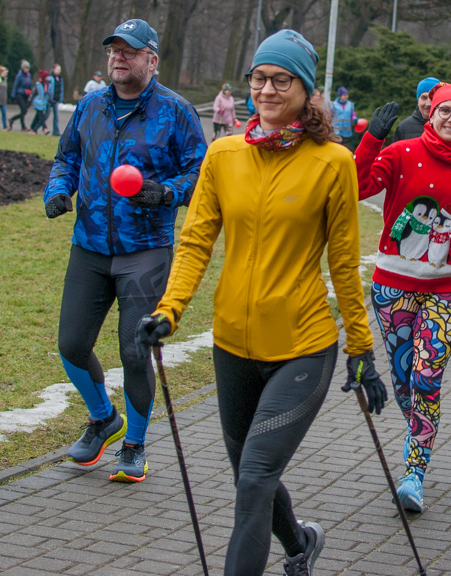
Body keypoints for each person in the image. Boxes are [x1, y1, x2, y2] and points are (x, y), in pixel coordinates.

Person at [135, 29, 387, 576]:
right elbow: (197, 238)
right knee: (252, 478)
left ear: (305, 90)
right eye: (259, 78)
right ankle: (301, 544)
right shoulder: (224, 154)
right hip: (232, 346)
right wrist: (169, 309)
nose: (267, 90)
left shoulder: (333, 162)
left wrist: (361, 348)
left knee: (253, 478)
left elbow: (344, 263)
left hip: (302, 347)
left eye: (281, 79)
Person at [43, 19, 208, 483]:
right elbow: (66, 157)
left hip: (146, 251)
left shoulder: (176, 112)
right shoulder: (90, 106)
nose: (119, 56)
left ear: (151, 60)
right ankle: (103, 419)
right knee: (71, 344)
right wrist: (59, 190)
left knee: (135, 350)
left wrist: (164, 192)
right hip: (90, 247)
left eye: (130, 50)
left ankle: (134, 445)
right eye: (113, 49)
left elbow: (201, 175)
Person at [353, 83, 451, 512]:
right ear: (431, 112)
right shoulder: (401, 152)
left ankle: (415, 471)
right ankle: (420, 427)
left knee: (427, 378)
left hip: (449, 287)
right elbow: (357, 187)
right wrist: (372, 139)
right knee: (403, 381)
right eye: (445, 111)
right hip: (394, 284)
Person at [391, 76, 440, 142]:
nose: (428, 104)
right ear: (418, 100)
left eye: (432, 98)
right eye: (424, 98)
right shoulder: (404, 127)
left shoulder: (447, 126)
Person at [9, 61, 34, 131]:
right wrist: (13, 95)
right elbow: (16, 86)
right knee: (24, 110)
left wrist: (31, 90)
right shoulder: (19, 75)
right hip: (20, 94)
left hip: (26, 95)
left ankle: (15, 121)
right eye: (26, 68)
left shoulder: (28, 75)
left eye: (28, 68)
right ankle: (18, 122)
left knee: (24, 111)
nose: (27, 70)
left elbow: (29, 85)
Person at [50, 63, 65, 135]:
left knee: (56, 116)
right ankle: (35, 128)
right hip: (50, 99)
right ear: (53, 70)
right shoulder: (50, 78)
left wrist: (60, 97)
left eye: (60, 70)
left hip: (56, 99)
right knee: (45, 115)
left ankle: (55, 131)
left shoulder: (60, 78)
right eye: (57, 70)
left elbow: (61, 89)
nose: (59, 71)